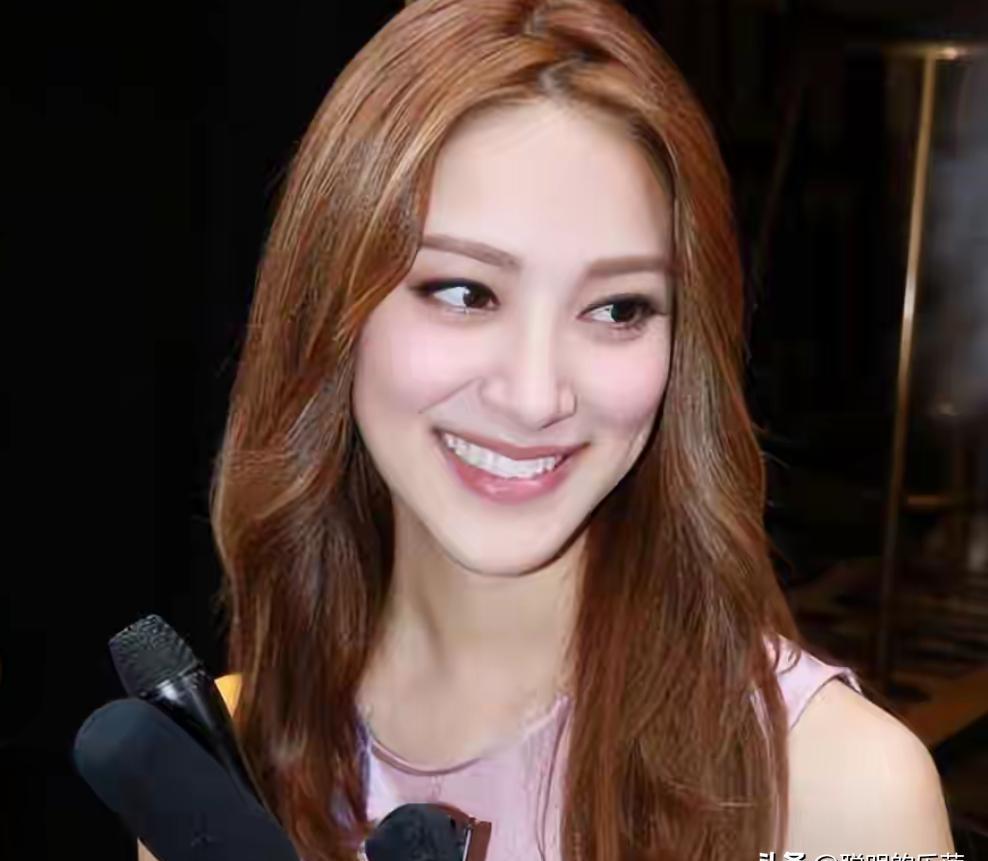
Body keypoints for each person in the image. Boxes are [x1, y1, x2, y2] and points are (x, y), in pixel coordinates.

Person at [140, 1, 955, 860]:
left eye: (617, 308)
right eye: (465, 293)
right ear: (327, 308)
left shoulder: (837, 789)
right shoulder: (225, 769)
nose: (535, 398)